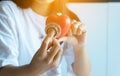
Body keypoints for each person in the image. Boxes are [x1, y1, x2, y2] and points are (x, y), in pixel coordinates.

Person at [0, 0, 91, 76]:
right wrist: (32, 70)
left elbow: (82, 74)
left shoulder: (69, 19)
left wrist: (79, 48)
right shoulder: (8, 10)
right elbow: (3, 71)